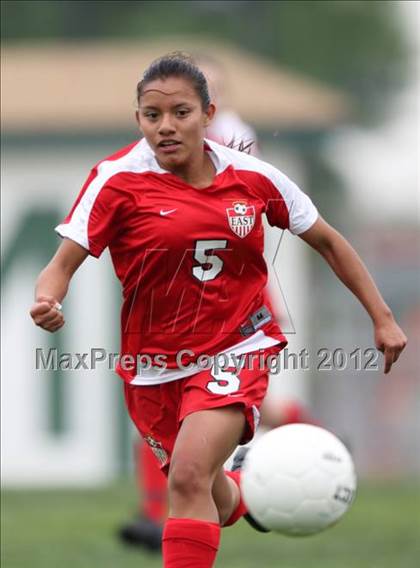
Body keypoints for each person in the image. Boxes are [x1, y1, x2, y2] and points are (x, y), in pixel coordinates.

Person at [30, 52, 407, 568]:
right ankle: (248, 492)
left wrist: (381, 317)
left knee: (185, 478)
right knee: (202, 486)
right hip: (153, 365)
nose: (165, 127)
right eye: (151, 115)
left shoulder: (252, 177)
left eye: (180, 113)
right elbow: (61, 264)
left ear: (209, 115)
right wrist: (47, 299)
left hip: (237, 346)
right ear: (138, 117)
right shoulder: (115, 180)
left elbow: (328, 241)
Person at [118, 53, 320, 551]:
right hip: (174, 297)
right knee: (176, 399)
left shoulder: (232, 136)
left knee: (205, 402)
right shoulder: (159, 142)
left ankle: (309, 451)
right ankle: (301, 453)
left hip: (228, 291)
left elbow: (238, 200)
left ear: (211, 101)